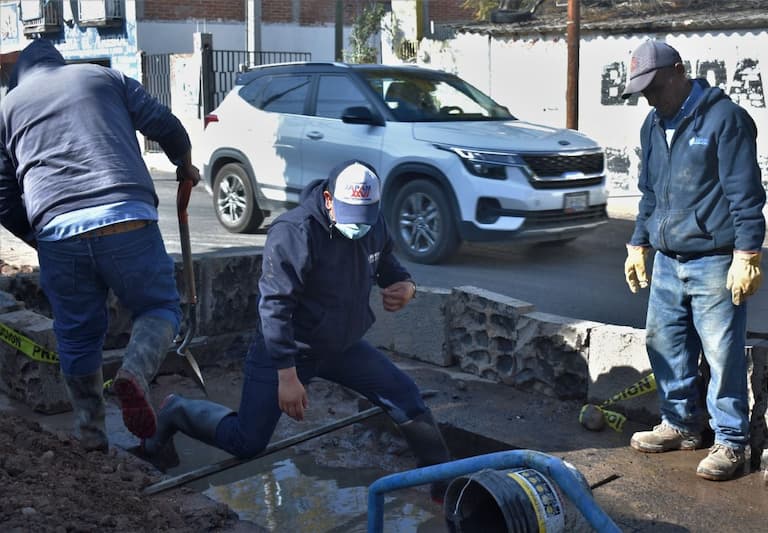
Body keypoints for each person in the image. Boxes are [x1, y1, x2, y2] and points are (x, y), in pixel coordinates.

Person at [141, 160, 452, 499]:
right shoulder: (294, 232)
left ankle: (445, 485)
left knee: (406, 397)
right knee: (247, 442)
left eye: (366, 216)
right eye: (351, 216)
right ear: (330, 200)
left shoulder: (371, 222)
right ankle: (176, 410)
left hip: (342, 346)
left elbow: (388, 265)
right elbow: (274, 308)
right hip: (290, 349)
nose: (359, 226)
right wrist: (287, 376)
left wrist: (407, 286)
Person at [0, 39, 201, 452]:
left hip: (57, 232)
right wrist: (183, 162)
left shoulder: (7, 109)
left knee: (76, 338)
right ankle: (133, 374)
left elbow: (2, 194)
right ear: (60, 60)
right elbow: (165, 124)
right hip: (126, 216)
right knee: (160, 308)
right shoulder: (104, 76)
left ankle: (91, 438)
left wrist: (42, 237)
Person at [621, 40, 766, 481]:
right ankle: (681, 425)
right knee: (665, 345)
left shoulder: (725, 119)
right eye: (641, 89)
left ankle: (731, 442)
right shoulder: (652, 124)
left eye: (654, 86)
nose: (648, 96)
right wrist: (638, 242)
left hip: (714, 260)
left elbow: (745, 194)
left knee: (722, 355)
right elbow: (649, 192)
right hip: (667, 258)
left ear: (679, 72)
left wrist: (747, 254)